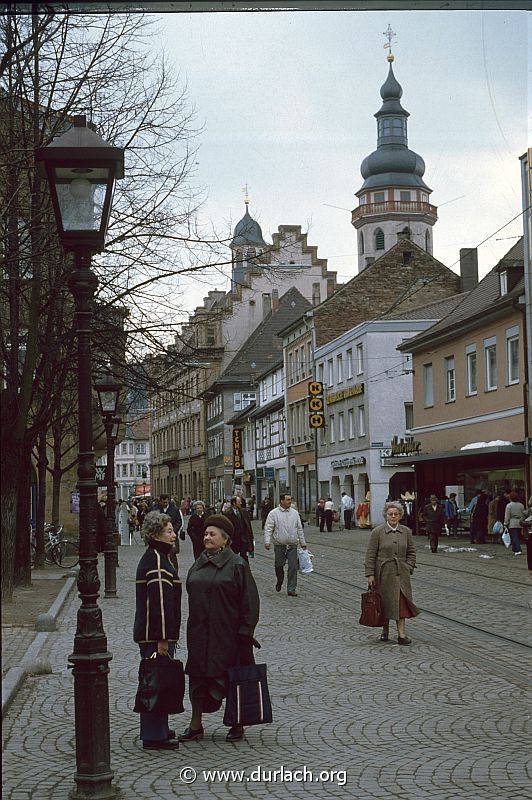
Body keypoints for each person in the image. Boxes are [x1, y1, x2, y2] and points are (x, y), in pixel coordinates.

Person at [179, 515, 260, 744]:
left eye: (211, 534)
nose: (206, 537)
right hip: (199, 633)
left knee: (230, 677)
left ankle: (237, 722)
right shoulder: (199, 562)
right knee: (196, 678)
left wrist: (246, 629)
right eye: (205, 534)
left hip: (227, 634)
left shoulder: (237, 565)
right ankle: (196, 725)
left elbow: (250, 600)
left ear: (225, 540)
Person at [133, 511, 181, 750]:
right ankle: (154, 734)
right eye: (169, 531)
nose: (174, 535)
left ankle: (159, 727)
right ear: (155, 534)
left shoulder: (156, 556)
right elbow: (160, 604)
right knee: (154, 681)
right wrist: (162, 639)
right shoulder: (158, 560)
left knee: (157, 680)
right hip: (155, 636)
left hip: (150, 635)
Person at [364, 501, 420, 645]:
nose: (393, 516)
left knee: (401, 603)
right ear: (386, 516)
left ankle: (402, 635)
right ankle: (385, 631)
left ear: (400, 515)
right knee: (384, 602)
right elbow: (370, 554)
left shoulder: (406, 531)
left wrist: (409, 566)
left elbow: (412, 551)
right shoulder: (377, 532)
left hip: (401, 573)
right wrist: (370, 574)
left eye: (396, 514)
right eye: (391, 514)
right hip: (383, 573)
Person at [263, 494, 307, 597]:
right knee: (279, 565)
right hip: (279, 544)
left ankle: (291, 588)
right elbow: (268, 528)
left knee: (293, 567)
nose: (290, 501)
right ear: (282, 501)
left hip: (292, 544)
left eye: (290, 500)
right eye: (287, 500)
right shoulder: (273, 513)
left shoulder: (295, 513)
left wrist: (303, 542)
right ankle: (280, 580)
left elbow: (299, 528)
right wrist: (267, 541)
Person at [224, 496, 254, 561]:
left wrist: (250, 537)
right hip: (234, 539)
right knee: (233, 556)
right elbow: (226, 528)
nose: (240, 503)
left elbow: (248, 525)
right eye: (239, 502)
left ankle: (245, 570)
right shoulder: (228, 513)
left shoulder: (243, 511)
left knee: (244, 556)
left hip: (243, 539)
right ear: (234, 503)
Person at [504, 491, 525, 556]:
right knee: (517, 536)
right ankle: (515, 548)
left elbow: (507, 515)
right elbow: (524, 514)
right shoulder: (521, 505)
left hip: (512, 523)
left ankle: (518, 549)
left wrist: (505, 523)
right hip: (520, 522)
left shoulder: (509, 505)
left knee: (514, 537)